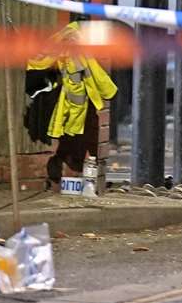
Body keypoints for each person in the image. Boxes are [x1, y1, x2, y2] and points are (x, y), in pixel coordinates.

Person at [24, 21, 118, 189]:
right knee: (81, 139)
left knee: (78, 139)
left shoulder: (65, 43)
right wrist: (108, 91)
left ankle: (79, 178)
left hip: (71, 106)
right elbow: (93, 74)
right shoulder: (75, 47)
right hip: (75, 107)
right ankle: (79, 179)